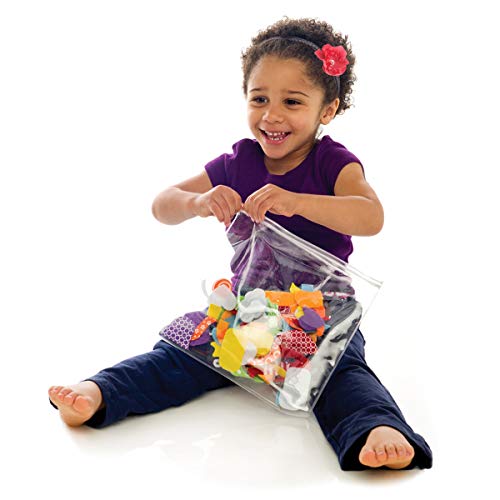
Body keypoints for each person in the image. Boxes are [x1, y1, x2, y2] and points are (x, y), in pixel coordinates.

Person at [48, 16, 433, 472]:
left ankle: (375, 427)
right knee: (178, 353)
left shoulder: (333, 162)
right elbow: (162, 205)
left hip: (321, 315)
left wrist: (297, 202)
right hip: (247, 312)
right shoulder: (240, 160)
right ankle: (102, 392)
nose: (272, 115)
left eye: (292, 101)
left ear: (327, 110)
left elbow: (372, 216)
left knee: (341, 373)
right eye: (259, 99)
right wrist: (199, 201)